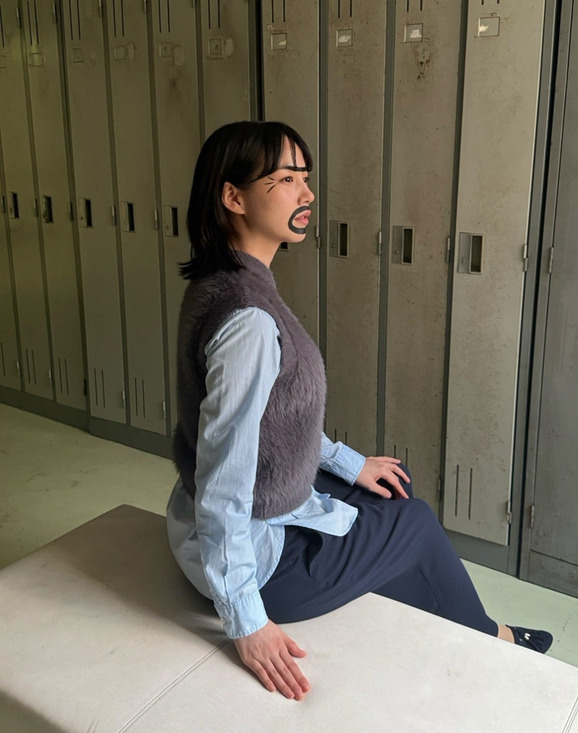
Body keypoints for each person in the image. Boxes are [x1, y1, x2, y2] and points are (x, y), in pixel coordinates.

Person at [166, 120, 553, 701]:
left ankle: (441, 621)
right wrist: (247, 623)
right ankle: (490, 638)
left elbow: (275, 422)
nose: (307, 193)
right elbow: (226, 481)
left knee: (390, 483)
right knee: (414, 522)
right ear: (233, 197)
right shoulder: (248, 320)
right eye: (286, 179)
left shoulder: (225, 281)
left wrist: (352, 464)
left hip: (219, 522)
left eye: (305, 177)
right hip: (264, 568)